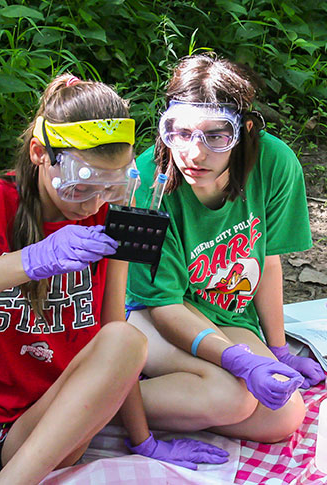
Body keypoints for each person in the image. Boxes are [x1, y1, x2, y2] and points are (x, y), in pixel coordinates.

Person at [0, 74, 229, 485]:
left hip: (42, 425)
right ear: (40, 154)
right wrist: (29, 261)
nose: (94, 203)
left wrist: (143, 440)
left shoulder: (110, 217)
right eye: (82, 186)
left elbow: (115, 334)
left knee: (127, 338)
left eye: (110, 187)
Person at [126, 53, 325, 443]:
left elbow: (267, 261)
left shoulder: (276, 163)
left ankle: (164, 395)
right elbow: (161, 304)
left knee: (282, 418)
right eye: (180, 133)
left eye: (216, 135)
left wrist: (277, 348)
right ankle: (85, 406)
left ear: (245, 130)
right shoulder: (145, 180)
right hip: (147, 314)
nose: (195, 153)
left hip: (224, 313)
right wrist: (237, 361)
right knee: (229, 396)